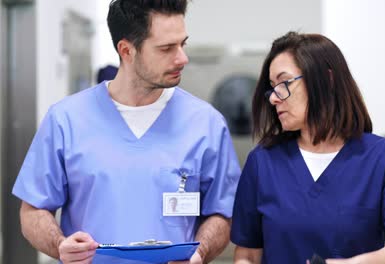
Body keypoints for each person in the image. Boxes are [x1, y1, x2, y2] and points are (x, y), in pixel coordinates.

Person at [12, 0, 241, 263]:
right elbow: (32, 211)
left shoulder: (206, 124)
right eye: (167, 48)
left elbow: (223, 214)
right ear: (126, 50)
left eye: (183, 44)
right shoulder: (66, 120)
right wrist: (61, 244)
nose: (182, 58)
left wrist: (200, 253)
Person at [230, 32, 385, 264]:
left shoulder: (384, 159)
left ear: (327, 80)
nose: (273, 98)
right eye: (272, 87)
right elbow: (247, 253)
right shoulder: (262, 161)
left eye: (284, 83)